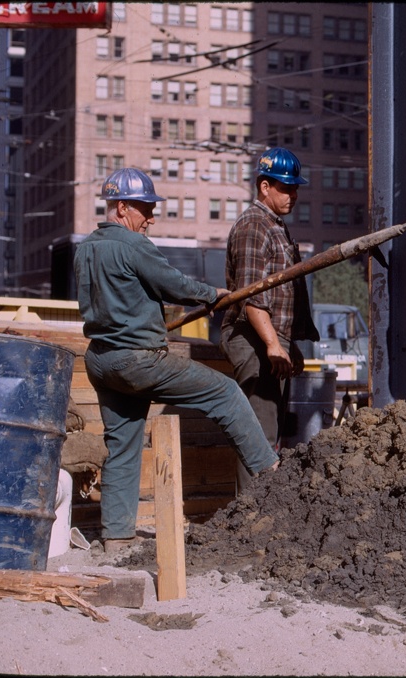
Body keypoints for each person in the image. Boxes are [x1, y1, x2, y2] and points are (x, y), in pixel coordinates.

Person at [75, 168, 280, 553]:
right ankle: (270, 471)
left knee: (122, 444)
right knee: (226, 392)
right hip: (137, 360)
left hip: (101, 362)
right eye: (146, 209)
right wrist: (212, 294)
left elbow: (122, 296)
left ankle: (116, 537)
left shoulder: (85, 249)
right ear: (122, 208)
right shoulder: (134, 246)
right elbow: (172, 283)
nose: (151, 218)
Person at [220, 148, 319, 481]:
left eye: (295, 188)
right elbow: (250, 295)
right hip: (252, 339)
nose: (293, 195)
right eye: (285, 187)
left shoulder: (275, 226)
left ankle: (259, 518)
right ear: (264, 187)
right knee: (258, 437)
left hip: (267, 340)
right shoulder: (254, 225)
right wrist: (274, 345)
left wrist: (288, 345)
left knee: (270, 434)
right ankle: (249, 520)